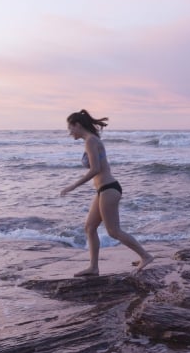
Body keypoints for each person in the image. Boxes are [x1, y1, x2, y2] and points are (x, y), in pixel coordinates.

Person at [61, 109, 153, 275]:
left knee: (113, 231)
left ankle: (145, 256)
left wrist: (73, 186)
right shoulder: (92, 140)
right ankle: (94, 267)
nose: (69, 132)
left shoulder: (90, 141)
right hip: (104, 190)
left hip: (109, 189)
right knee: (89, 227)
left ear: (77, 125)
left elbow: (95, 169)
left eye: (70, 128)